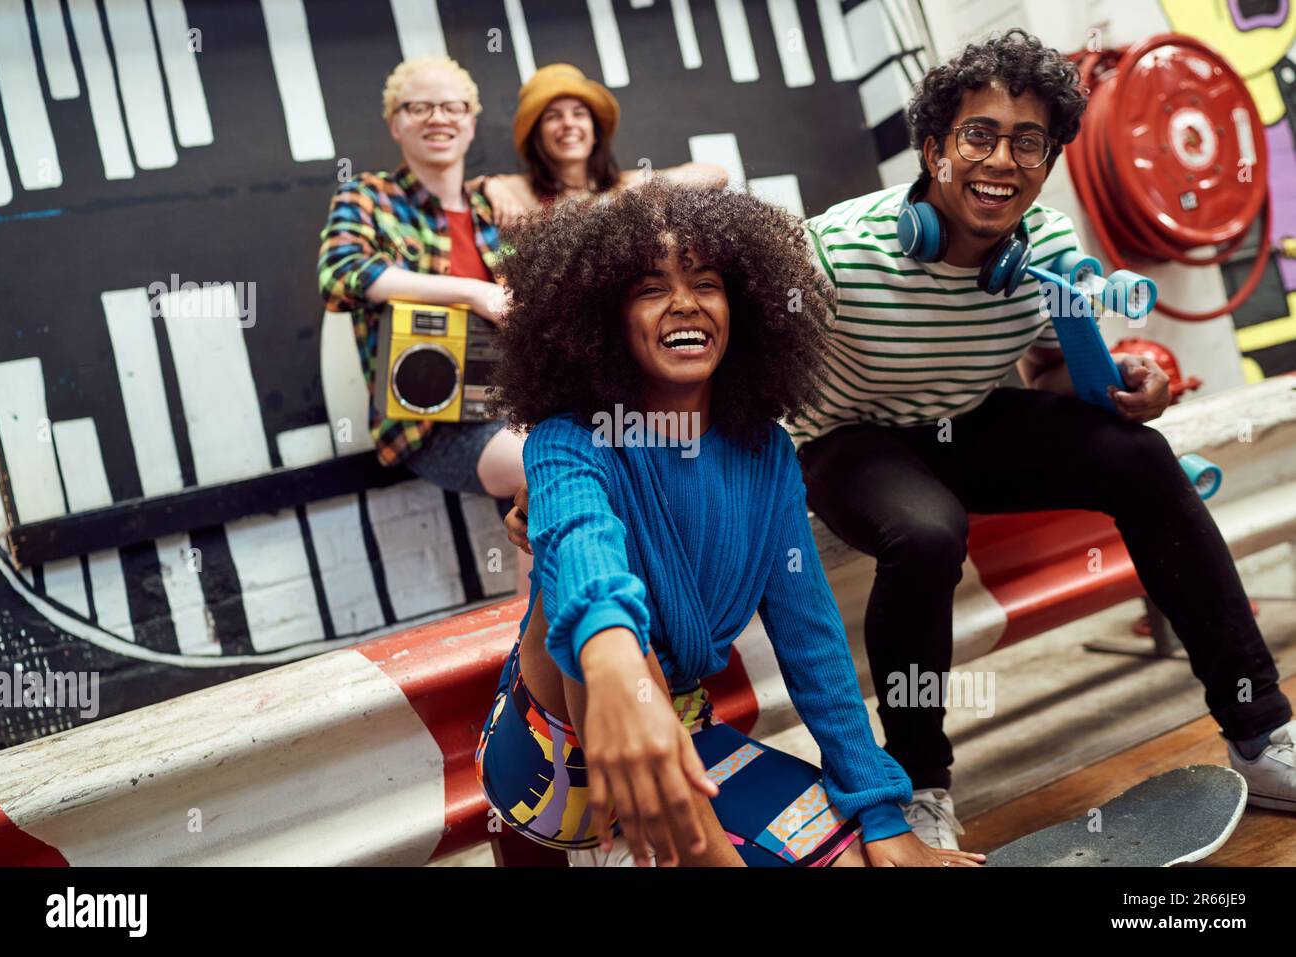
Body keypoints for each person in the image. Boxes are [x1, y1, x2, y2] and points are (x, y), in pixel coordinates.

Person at [792, 29, 1295, 847]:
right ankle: (919, 784)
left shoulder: (1050, 250)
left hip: (969, 419)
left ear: (1050, 160)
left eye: (1029, 143)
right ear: (934, 148)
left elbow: (1058, 379)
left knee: (1139, 455)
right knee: (925, 531)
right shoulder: (836, 251)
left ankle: (1259, 731)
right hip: (851, 437)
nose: (1002, 161)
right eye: (978, 135)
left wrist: (1135, 387)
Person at [475, 180, 985, 867]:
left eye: (706, 282)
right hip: (554, 754)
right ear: (605, 322)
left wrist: (878, 808)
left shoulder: (766, 452)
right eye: (651, 287)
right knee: (600, 594)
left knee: (865, 858)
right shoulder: (569, 439)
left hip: (682, 731)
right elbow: (583, 553)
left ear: (742, 307)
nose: (685, 301)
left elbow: (812, 638)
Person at [317, 55, 529, 589]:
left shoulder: (493, 205)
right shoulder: (368, 196)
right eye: (420, 107)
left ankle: (555, 653)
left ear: (471, 121)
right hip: (437, 427)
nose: (438, 117)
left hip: (520, 407)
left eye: (452, 106)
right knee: (550, 464)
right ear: (395, 122)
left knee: (579, 464)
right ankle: (553, 655)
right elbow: (341, 275)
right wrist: (474, 293)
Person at [477, 63, 727, 224]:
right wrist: (487, 184)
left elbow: (716, 175)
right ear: (537, 135)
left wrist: (637, 192)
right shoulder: (519, 190)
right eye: (553, 116)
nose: (568, 124)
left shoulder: (624, 185)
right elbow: (454, 193)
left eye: (579, 114)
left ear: (595, 132)